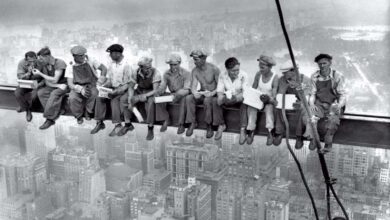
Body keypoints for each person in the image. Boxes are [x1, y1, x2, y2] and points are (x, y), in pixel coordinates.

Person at [297, 54, 347, 152]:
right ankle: (313, 138)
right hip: (319, 103)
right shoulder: (314, 76)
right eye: (320, 64)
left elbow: (343, 95)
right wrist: (312, 104)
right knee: (309, 114)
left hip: (334, 104)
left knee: (332, 121)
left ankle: (328, 144)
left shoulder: (338, 76)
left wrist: (339, 105)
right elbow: (313, 94)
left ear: (330, 63)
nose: (322, 66)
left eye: (324, 63)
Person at [91, 44, 134, 136]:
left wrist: (116, 92)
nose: (110, 56)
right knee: (100, 97)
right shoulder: (112, 64)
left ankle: (118, 125)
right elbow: (110, 80)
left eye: (111, 53)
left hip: (124, 90)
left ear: (118, 54)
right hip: (113, 89)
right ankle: (99, 122)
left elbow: (128, 84)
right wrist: (104, 87)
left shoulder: (127, 65)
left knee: (114, 100)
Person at [127, 56, 167, 140]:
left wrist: (144, 96)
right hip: (140, 90)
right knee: (129, 101)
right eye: (146, 68)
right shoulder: (136, 72)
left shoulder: (156, 73)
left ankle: (150, 127)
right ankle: (130, 123)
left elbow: (155, 90)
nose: (149, 69)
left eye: (150, 67)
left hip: (151, 92)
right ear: (141, 67)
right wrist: (131, 98)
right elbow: (131, 87)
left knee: (151, 103)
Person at [66, 45, 107, 125]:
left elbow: (104, 69)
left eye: (84, 54)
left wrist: (100, 81)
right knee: (72, 98)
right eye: (80, 56)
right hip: (77, 85)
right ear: (74, 56)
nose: (83, 57)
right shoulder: (70, 65)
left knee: (94, 94)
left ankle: (88, 112)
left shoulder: (90, 60)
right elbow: (70, 83)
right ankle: (78, 116)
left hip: (91, 84)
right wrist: (80, 89)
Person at [273, 62, 311, 148]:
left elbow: (307, 97)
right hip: (286, 103)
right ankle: (279, 132)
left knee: (303, 108)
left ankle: (299, 136)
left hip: (300, 103)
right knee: (277, 106)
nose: (283, 74)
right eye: (283, 73)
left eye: (285, 72)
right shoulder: (281, 80)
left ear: (294, 70)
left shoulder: (306, 80)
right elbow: (279, 95)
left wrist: (298, 88)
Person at [185, 49, 220, 138]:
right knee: (189, 98)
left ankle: (209, 125)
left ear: (203, 59)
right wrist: (195, 93)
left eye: (196, 59)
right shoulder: (195, 71)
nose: (194, 62)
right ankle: (192, 123)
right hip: (203, 93)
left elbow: (220, 86)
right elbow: (193, 86)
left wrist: (212, 93)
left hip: (213, 94)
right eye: (194, 59)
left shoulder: (214, 69)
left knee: (207, 101)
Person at [245, 55, 278, 145]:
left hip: (268, 101)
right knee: (251, 108)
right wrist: (250, 96)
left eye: (263, 67)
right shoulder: (258, 74)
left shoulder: (275, 77)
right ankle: (251, 130)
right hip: (258, 99)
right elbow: (254, 87)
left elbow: (274, 95)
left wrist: (268, 99)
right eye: (260, 67)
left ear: (269, 67)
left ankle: (270, 131)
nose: (261, 69)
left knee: (269, 109)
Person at [33, 47, 68, 130]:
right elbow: (47, 81)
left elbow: (55, 79)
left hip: (65, 85)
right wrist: (56, 86)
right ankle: (57, 111)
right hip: (55, 86)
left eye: (41, 58)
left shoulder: (59, 63)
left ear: (47, 56)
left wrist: (40, 74)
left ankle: (50, 119)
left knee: (54, 94)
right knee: (41, 92)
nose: (40, 61)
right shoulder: (45, 65)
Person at [215, 57, 248, 142]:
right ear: (227, 69)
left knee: (245, 103)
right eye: (233, 71)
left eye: (237, 70)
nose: (236, 73)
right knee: (217, 101)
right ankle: (221, 124)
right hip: (228, 97)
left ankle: (242, 129)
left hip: (239, 98)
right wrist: (221, 98)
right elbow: (219, 90)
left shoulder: (243, 75)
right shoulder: (222, 75)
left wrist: (237, 98)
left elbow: (245, 92)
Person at [157, 53, 191, 134]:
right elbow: (163, 86)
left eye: (175, 65)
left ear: (179, 63)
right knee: (159, 99)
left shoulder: (186, 73)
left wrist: (178, 94)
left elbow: (187, 89)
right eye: (171, 65)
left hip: (183, 94)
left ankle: (181, 124)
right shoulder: (166, 73)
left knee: (184, 99)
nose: (173, 67)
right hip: (172, 95)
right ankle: (166, 119)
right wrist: (158, 92)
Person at [15, 51, 46, 122]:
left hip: (37, 83)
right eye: (30, 61)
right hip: (26, 83)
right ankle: (27, 110)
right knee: (17, 93)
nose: (32, 62)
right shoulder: (22, 63)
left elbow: (45, 78)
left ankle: (23, 107)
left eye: (34, 60)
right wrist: (28, 73)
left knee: (34, 96)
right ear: (26, 60)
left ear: (36, 58)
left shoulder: (41, 63)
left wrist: (39, 84)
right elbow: (19, 76)